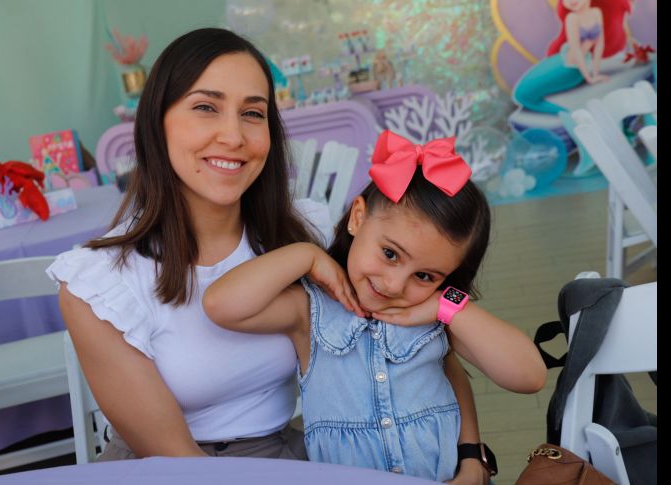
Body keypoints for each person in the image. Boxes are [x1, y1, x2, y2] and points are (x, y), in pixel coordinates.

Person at [47, 28, 489, 482]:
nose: (234, 136)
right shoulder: (98, 285)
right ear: (156, 122)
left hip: (283, 454)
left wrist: (471, 454)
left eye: (252, 113)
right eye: (206, 107)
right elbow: (180, 462)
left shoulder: (305, 232)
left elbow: (417, 352)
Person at [203, 130, 547, 481]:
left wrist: (450, 307)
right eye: (390, 253)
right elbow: (220, 304)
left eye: (425, 275)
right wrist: (305, 255)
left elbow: (530, 376)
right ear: (357, 218)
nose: (396, 284)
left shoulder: (434, 313)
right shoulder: (310, 310)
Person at [512, 0, 632, 114]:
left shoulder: (596, 12)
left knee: (523, 95)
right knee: (522, 93)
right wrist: (589, 77)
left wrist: (595, 74)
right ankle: (558, 111)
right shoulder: (572, 18)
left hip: (572, 71)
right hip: (565, 63)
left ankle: (561, 111)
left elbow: (599, 44)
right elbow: (576, 49)